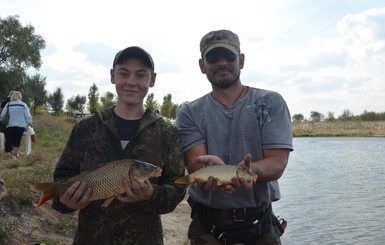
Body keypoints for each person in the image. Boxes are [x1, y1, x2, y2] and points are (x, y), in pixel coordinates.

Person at [51, 46, 186, 245]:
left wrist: (150, 195)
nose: (131, 82)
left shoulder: (167, 133)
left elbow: (177, 189)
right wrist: (65, 201)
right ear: (113, 76)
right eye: (124, 73)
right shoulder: (86, 128)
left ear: (152, 79)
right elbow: (63, 176)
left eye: (141, 75)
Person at [176, 30, 293, 245]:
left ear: (241, 60)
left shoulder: (270, 102)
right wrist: (204, 170)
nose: (222, 63)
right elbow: (195, 165)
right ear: (202, 65)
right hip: (207, 226)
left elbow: (278, 162)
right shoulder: (189, 113)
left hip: (261, 224)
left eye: (228, 56)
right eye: (213, 57)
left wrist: (249, 173)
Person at [0, 91, 33, 160]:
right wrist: (30, 122)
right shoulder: (23, 105)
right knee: (17, 141)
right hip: (20, 126)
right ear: (20, 97)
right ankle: (14, 156)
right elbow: (28, 116)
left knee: (11, 140)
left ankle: (13, 153)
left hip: (10, 126)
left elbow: (2, 115)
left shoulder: (8, 104)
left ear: (12, 97)